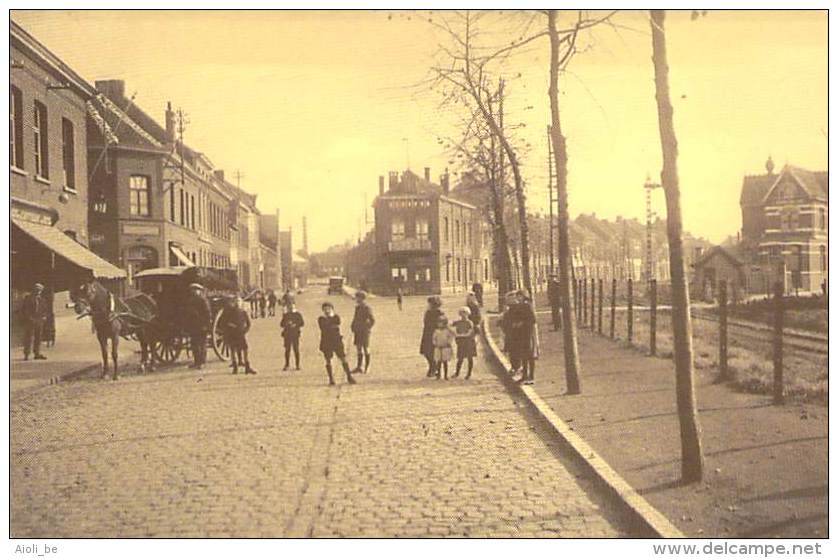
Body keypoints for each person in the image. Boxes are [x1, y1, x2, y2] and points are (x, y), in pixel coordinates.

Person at [318, 301, 356, 386]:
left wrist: (330, 325)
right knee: (328, 360)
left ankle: (349, 376)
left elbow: (337, 323)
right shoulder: (321, 319)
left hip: (336, 341)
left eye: (329, 308)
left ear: (332, 309)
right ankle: (331, 378)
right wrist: (331, 326)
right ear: (323, 310)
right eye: (325, 309)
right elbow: (323, 328)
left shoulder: (336, 317)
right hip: (326, 342)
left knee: (343, 358)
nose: (327, 310)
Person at [218, 296, 256, 375]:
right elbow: (224, 322)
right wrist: (229, 326)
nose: (238, 303)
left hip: (241, 333)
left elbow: (248, 323)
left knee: (245, 349)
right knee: (233, 349)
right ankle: (235, 366)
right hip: (233, 333)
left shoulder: (243, 312)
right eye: (236, 301)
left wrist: (245, 331)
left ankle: (247, 366)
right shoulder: (230, 312)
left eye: (239, 301)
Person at [506, 290, 537, 385]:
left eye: (519, 296)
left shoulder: (527, 305)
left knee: (529, 355)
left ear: (523, 296)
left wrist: (521, 323)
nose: (517, 298)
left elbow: (532, 319)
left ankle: (531, 376)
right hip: (522, 333)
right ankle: (525, 376)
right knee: (524, 354)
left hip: (528, 333)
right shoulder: (521, 305)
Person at [183, 283, 212, 369]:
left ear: (199, 291)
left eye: (195, 290)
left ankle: (202, 362)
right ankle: (196, 361)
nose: (194, 291)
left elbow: (207, 313)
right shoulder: (190, 300)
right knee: (194, 344)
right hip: (193, 325)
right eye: (192, 290)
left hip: (201, 325)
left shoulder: (203, 300)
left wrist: (206, 325)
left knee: (202, 344)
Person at [21, 282, 48, 360]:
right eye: (37, 289)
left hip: (39, 321)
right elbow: (25, 310)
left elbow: (44, 309)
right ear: (34, 290)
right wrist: (29, 318)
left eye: (40, 290)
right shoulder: (28, 298)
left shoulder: (42, 299)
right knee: (28, 337)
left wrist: (44, 316)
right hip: (30, 320)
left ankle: (37, 353)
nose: (38, 291)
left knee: (38, 337)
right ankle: (26, 354)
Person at [350, 290, 375, 374]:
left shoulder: (366, 308)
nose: (356, 299)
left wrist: (367, 328)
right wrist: (353, 326)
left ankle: (367, 367)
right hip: (358, 331)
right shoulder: (357, 307)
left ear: (362, 298)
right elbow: (355, 318)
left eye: (357, 297)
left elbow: (372, 320)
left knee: (366, 349)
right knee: (358, 348)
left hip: (364, 332)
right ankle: (359, 367)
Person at [419, 296, 443, 378]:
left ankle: (433, 368)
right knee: (426, 352)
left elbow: (442, 323)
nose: (428, 305)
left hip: (435, 333)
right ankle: (433, 366)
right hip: (427, 333)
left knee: (433, 351)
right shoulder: (428, 312)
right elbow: (425, 322)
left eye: (429, 303)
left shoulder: (439, 313)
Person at [452, 307, 476, 379]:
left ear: (468, 314)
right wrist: (453, 333)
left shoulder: (469, 323)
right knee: (460, 358)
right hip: (461, 342)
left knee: (470, 358)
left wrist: (459, 335)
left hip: (469, 342)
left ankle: (469, 373)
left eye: (465, 313)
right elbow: (449, 325)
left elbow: (469, 333)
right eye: (462, 313)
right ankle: (457, 373)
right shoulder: (458, 322)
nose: (463, 315)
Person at [280, 301, 304, 370]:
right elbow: (281, 324)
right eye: (289, 306)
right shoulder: (286, 315)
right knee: (287, 350)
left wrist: (295, 324)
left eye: (292, 306)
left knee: (296, 350)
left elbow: (302, 323)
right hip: (287, 335)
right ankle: (287, 364)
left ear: (294, 306)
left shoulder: (298, 314)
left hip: (295, 334)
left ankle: (297, 365)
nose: (291, 307)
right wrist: (287, 323)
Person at [432, 315, 455, 380]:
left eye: (441, 323)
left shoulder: (447, 331)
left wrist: (448, 343)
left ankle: (445, 375)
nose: (439, 324)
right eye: (438, 323)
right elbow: (434, 338)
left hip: (445, 348)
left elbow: (450, 337)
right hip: (438, 347)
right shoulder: (436, 331)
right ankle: (438, 375)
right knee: (438, 362)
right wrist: (435, 344)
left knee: (445, 362)